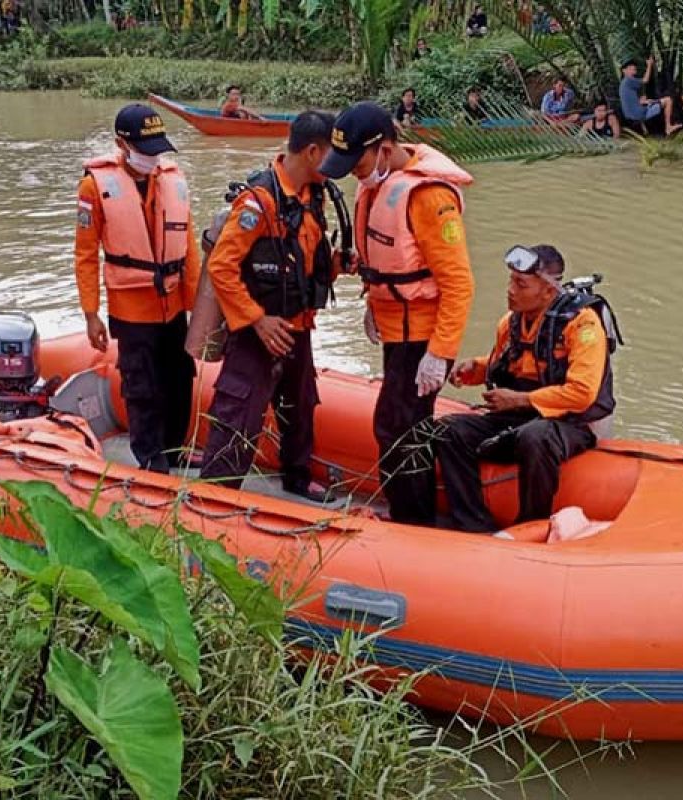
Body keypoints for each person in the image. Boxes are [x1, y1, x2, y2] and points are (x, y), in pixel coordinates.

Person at [319, 102, 475, 526]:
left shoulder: (429, 197)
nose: (354, 171)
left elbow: (459, 282)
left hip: (421, 338)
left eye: (359, 161)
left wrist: (440, 353)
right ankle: (410, 513)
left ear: (385, 149)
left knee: (397, 428)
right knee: (398, 426)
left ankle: (413, 521)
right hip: (395, 331)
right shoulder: (379, 182)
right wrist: (372, 298)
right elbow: (389, 258)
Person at [199, 111, 344, 500]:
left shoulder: (314, 197)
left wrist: (338, 266)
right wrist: (257, 320)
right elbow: (222, 267)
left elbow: (305, 261)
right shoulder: (258, 202)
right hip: (257, 332)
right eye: (333, 155)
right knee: (239, 413)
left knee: (300, 406)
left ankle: (297, 479)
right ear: (313, 152)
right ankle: (216, 494)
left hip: (298, 326)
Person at [435, 244, 618, 533]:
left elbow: (582, 393)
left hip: (574, 423)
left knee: (536, 436)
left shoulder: (583, 326)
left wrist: (520, 399)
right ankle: (472, 522)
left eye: (520, 284)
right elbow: (509, 365)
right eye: (511, 281)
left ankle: (530, 525)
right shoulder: (511, 323)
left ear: (548, 290)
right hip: (524, 415)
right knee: (448, 431)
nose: (510, 290)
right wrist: (477, 370)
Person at [74, 103, 201, 473]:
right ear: (121, 144)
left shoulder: (173, 180)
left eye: (157, 150)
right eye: (145, 151)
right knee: (141, 383)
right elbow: (85, 254)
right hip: (131, 307)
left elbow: (188, 247)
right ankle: (150, 457)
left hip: (174, 303)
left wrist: (197, 308)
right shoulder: (93, 186)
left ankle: (175, 449)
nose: (153, 158)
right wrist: (90, 313)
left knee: (180, 378)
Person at [619, 56, 680, 135]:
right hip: (639, 114)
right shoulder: (628, 80)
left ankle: (646, 130)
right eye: (630, 67)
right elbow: (645, 80)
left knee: (652, 101)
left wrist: (642, 101)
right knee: (668, 100)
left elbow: (630, 102)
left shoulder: (624, 84)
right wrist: (649, 65)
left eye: (633, 66)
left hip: (631, 114)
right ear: (624, 71)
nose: (633, 67)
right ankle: (668, 127)